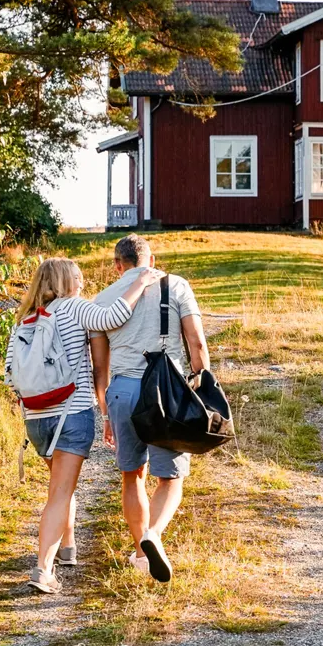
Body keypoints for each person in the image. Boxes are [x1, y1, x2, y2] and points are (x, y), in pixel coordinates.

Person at [6, 257, 163, 594]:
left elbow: (10, 374)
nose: (82, 284)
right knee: (60, 491)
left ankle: (68, 547)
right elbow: (114, 316)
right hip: (71, 416)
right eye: (78, 278)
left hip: (35, 419)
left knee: (60, 486)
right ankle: (43, 570)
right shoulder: (75, 308)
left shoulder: (25, 320)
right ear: (67, 282)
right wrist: (140, 283)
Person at [90, 234, 209, 583]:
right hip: (165, 391)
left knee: (132, 475)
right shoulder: (177, 286)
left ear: (117, 265)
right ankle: (153, 533)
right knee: (171, 477)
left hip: (122, 391)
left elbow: (100, 366)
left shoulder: (102, 300)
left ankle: (142, 556)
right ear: (151, 261)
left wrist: (106, 412)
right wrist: (201, 385)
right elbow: (196, 342)